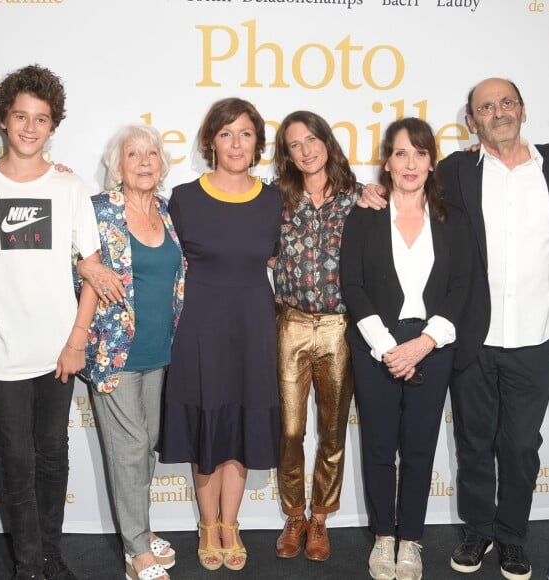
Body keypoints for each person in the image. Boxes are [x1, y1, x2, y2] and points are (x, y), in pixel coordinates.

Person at [360, 79, 549, 580]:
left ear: (523, 110)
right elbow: (405, 179)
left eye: (507, 102)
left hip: (537, 333)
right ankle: (477, 530)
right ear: (473, 122)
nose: (498, 112)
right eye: (486, 107)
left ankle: (512, 534)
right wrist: (368, 189)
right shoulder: (459, 169)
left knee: (521, 444)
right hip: (472, 336)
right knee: (472, 440)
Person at [0, 64, 101, 580]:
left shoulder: (69, 187)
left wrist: (76, 341)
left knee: (52, 453)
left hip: (58, 348)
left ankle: (52, 555)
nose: (30, 127)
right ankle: (27, 564)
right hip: (3, 344)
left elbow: (92, 271)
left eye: (41, 118)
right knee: (13, 460)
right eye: (21, 116)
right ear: (4, 119)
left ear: (53, 126)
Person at [341, 117, 472, 580]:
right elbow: (352, 285)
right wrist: (386, 347)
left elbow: (461, 287)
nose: (410, 163)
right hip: (376, 343)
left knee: (419, 448)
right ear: (387, 162)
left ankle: (410, 540)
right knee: (378, 446)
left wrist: (423, 343)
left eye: (419, 153)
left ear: (432, 162)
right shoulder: (365, 213)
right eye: (401, 153)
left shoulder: (452, 218)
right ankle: (382, 538)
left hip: (433, 344)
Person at [157, 97, 282, 572]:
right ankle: (207, 525)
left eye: (245, 133)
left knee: (242, 427)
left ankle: (232, 523)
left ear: (257, 144)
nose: (235, 143)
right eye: (226, 133)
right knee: (207, 427)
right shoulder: (185, 198)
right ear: (211, 140)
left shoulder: (272, 199)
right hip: (200, 328)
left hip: (253, 325)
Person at [76, 125, 184, 580]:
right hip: (114, 354)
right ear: (116, 166)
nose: (143, 161)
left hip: (162, 352)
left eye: (151, 154)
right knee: (130, 448)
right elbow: (67, 257)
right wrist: (84, 263)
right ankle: (136, 550)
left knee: (148, 447)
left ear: (161, 163)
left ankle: (139, 528)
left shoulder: (167, 211)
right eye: (133, 154)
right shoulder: (98, 211)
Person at [271, 110, 359, 562]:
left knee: (332, 431)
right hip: (289, 323)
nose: (305, 150)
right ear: (286, 154)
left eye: (311, 140)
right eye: (294, 144)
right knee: (289, 430)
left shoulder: (359, 197)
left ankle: (320, 516)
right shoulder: (275, 199)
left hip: (339, 328)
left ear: (326, 140)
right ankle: (293, 514)